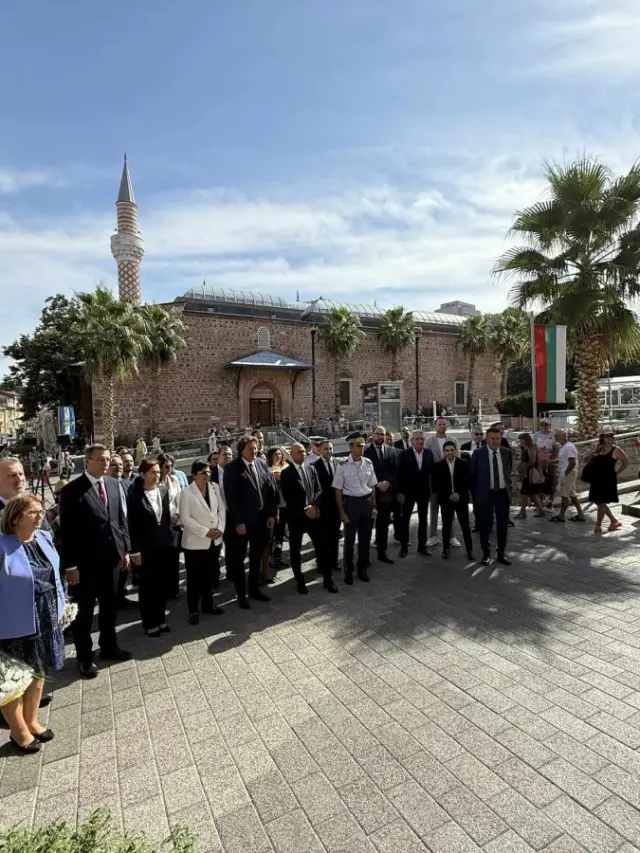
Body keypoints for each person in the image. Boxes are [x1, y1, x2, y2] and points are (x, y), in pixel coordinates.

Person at [59, 443, 132, 678]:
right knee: (84, 613)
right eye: (100, 459)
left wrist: (125, 550)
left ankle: (109, 646)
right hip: (85, 564)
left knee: (109, 607)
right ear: (87, 461)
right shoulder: (72, 491)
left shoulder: (112, 484)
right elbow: (67, 533)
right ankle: (84, 656)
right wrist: (70, 566)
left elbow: (120, 520)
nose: (105, 463)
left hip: (112, 559)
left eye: (108, 459)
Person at [0, 495, 65, 753]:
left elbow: (55, 577)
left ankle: (32, 721)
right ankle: (18, 731)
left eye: (41, 511)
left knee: (38, 672)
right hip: (13, 622)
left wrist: (62, 606)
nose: (40, 516)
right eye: (32, 512)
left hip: (45, 616)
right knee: (13, 678)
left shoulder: (44, 538)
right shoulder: (2, 547)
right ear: (16, 518)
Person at [223, 437, 278, 608]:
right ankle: (241, 594)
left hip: (260, 519)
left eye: (255, 448)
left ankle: (254, 589)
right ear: (241, 451)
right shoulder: (232, 468)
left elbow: (271, 490)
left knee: (256, 556)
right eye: (250, 449)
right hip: (242, 522)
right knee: (239, 559)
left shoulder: (261, 464)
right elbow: (231, 498)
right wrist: (238, 522)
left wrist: (271, 514)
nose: (254, 451)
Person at [280, 443, 338, 594]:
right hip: (297, 517)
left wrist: (315, 506)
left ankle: (328, 579)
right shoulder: (286, 473)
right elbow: (288, 497)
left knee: (322, 547)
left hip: (314, 515)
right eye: (299, 452)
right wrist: (304, 509)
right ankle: (299, 581)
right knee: (295, 551)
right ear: (292, 455)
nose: (302, 454)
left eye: (303, 452)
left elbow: (319, 490)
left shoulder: (311, 469)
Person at [127, 460, 174, 636]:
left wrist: (169, 539)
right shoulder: (134, 495)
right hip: (145, 548)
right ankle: (149, 623)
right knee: (148, 586)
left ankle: (161, 619)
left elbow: (166, 518)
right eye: (153, 472)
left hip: (163, 545)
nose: (157, 476)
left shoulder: (163, 490)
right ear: (143, 474)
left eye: (158, 472)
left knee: (161, 584)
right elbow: (131, 525)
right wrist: (134, 550)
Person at [179, 460, 226, 623]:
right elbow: (185, 518)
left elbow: (221, 509)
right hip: (195, 543)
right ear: (194, 475)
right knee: (194, 578)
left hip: (214, 540)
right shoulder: (186, 493)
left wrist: (220, 528)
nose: (207, 475)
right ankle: (193, 610)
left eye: (208, 472)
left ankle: (208, 605)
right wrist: (206, 532)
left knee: (210, 575)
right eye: (203, 473)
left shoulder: (214, 488)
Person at [332, 435, 377, 584]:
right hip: (351, 504)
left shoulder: (368, 463)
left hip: (366, 503)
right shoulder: (343, 465)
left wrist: (374, 506)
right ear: (350, 447)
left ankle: (362, 568)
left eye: (363, 446)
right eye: (358, 446)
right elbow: (338, 490)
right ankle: (348, 571)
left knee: (365, 539)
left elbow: (372, 486)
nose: (361, 448)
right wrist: (341, 512)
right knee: (349, 540)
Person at [470, 427, 513, 566]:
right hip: (485, 495)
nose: (495, 441)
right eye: (492, 438)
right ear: (486, 439)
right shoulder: (478, 454)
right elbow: (472, 476)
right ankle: (486, 554)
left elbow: (508, 472)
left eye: (497, 438)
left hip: (502, 494)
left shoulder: (507, 453)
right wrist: (476, 497)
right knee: (484, 526)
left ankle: (501, 553)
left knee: (503, 526)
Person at [432, 441, 474, 560]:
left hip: (461, 499)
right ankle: (445, 549)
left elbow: (468, 481)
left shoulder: (464, 464)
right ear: (443, 452)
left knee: (465, 525)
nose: (450, 452)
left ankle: (470, 550)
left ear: (456, 450)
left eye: (452, 450)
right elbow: (436, 485)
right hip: (446, 500)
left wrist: (458, 494)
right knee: (446, 525)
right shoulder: (438, 466)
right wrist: (448, 495)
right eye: (447, 450)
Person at [365, 425, 400, 565]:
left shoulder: (392, 451)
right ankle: (365, 557)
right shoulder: (365, 452)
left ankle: (382, 552)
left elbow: (396, 470)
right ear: (372, 434)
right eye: (377, 434)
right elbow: (364, 473)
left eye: (383, 434)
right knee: (367, 526)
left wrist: (388, 482)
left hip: (387, 493)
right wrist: (377, 483)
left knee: (383, 524)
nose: (380, 436)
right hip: (370, 494)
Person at [397, 430, 433, 558]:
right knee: (405, 519)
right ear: (412, 441)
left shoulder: (428, 453)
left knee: (423, 520)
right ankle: (404, 547)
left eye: (422, 439)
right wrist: (400, 492)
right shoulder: (404, 454)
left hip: (424, 492)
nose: (420, 441)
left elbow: (432, 473)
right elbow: (400, 474)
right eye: (417, 439)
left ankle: (422, 546)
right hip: (408, 493)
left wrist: (432, 491)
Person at [586, 427, 628, 534]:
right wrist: (592, 456)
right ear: (602, 437)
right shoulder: (599, 448)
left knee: (601, 503)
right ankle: (614, 521)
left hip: (607, 481)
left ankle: (598, 526)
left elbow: (626, 462)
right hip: (596, 480)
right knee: (599, 502)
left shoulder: (616, 450)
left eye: (611, 435)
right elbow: (591, 461)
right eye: (606, 435)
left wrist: (617, 472)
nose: (609, 437)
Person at [107, 454, 136, 607]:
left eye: (120, 464)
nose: (118, 467)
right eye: (114, 464)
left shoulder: (127, 484)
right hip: (111, 535)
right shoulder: (103, 486)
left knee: (125, 566)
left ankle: (121, 596)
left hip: (127, 530)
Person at [426, 418, 460, 548]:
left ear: (447, 425)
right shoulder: (429, 441)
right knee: (434, 509)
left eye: (444, 424)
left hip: (449, 480)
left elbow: (457, 459)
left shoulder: (453, 440)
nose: (442, 426)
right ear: (435, 426)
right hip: (434, 480)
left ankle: (452, 536)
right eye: (439, 424)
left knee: (450, 509)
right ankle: (433, 535)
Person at [157, 453, 182, 599]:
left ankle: (173, 590)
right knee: (162, 559)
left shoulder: (174, 480)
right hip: (160, 525)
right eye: (166, 466)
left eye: (171, 466)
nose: (169, 469)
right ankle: (162, 589)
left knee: (174, 559)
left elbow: (179, 498)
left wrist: (178, 515)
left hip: (174, 523)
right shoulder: (155, 483)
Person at [314, 440, 341, 574]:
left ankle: (334, 561)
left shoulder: (337, 463)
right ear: (320, 450)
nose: (328, 451)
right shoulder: (314, 466)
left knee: (335, 536)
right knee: (322, 538)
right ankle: (321, 563)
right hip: (322, 508)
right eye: (326, 449)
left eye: (330, 448)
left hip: (336, 507)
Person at [551, 429, 585, 523]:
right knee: (572, 494)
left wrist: (564, 474)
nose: (555, 437)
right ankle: (580, 514)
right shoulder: (563, 447)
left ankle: (561, 516)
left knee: (564, 494)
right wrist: (550, 462)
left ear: (563, 436)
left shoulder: (569, 447)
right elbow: (564, 460)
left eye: (557, 435)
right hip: (568, 472)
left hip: (568, 473)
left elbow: (572, 462)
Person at [266, 446, 289, 572]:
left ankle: (278, 557)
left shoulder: (286, 467)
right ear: (270, 456)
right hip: (274, 506)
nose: (278, 456)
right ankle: (269, 558)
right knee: (272, 534)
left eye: (280, 454)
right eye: (275, 454)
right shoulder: (267, 470)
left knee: (280, 533)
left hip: (285, 504)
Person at [514, 433, 547, 519]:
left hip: (529, 474)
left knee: (524, 493)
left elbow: (532, 461)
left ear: (525, 440)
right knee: (532, 494)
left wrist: (523, 467)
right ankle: (541, 510)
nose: (520, 442)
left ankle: (522, 512)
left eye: (521, 440)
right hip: (526, 473)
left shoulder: (531, 448)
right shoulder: (524, 448)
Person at [533, 418, 558, 508]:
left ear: (549, 425)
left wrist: (549, 460)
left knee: (552, 481)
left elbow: (556, 449)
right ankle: (540, 503)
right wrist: (538, 461)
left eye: (546, 425)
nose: (544, 426)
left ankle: (550, 502)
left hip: (552, 462)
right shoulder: (536, 435)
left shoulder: (554, 435)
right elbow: (534, 448)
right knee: (539, 481)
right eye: (542, 425)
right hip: (539, 463)